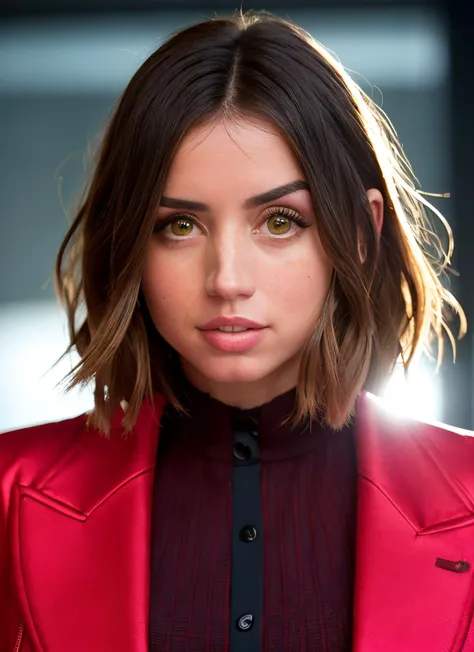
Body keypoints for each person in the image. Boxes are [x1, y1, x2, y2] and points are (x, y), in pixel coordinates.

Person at [0, 10, 472, 652]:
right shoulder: (9, 495)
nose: (226, 278)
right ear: (128, 242)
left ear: (359, 234)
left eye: (279, 221)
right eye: (179, 225)